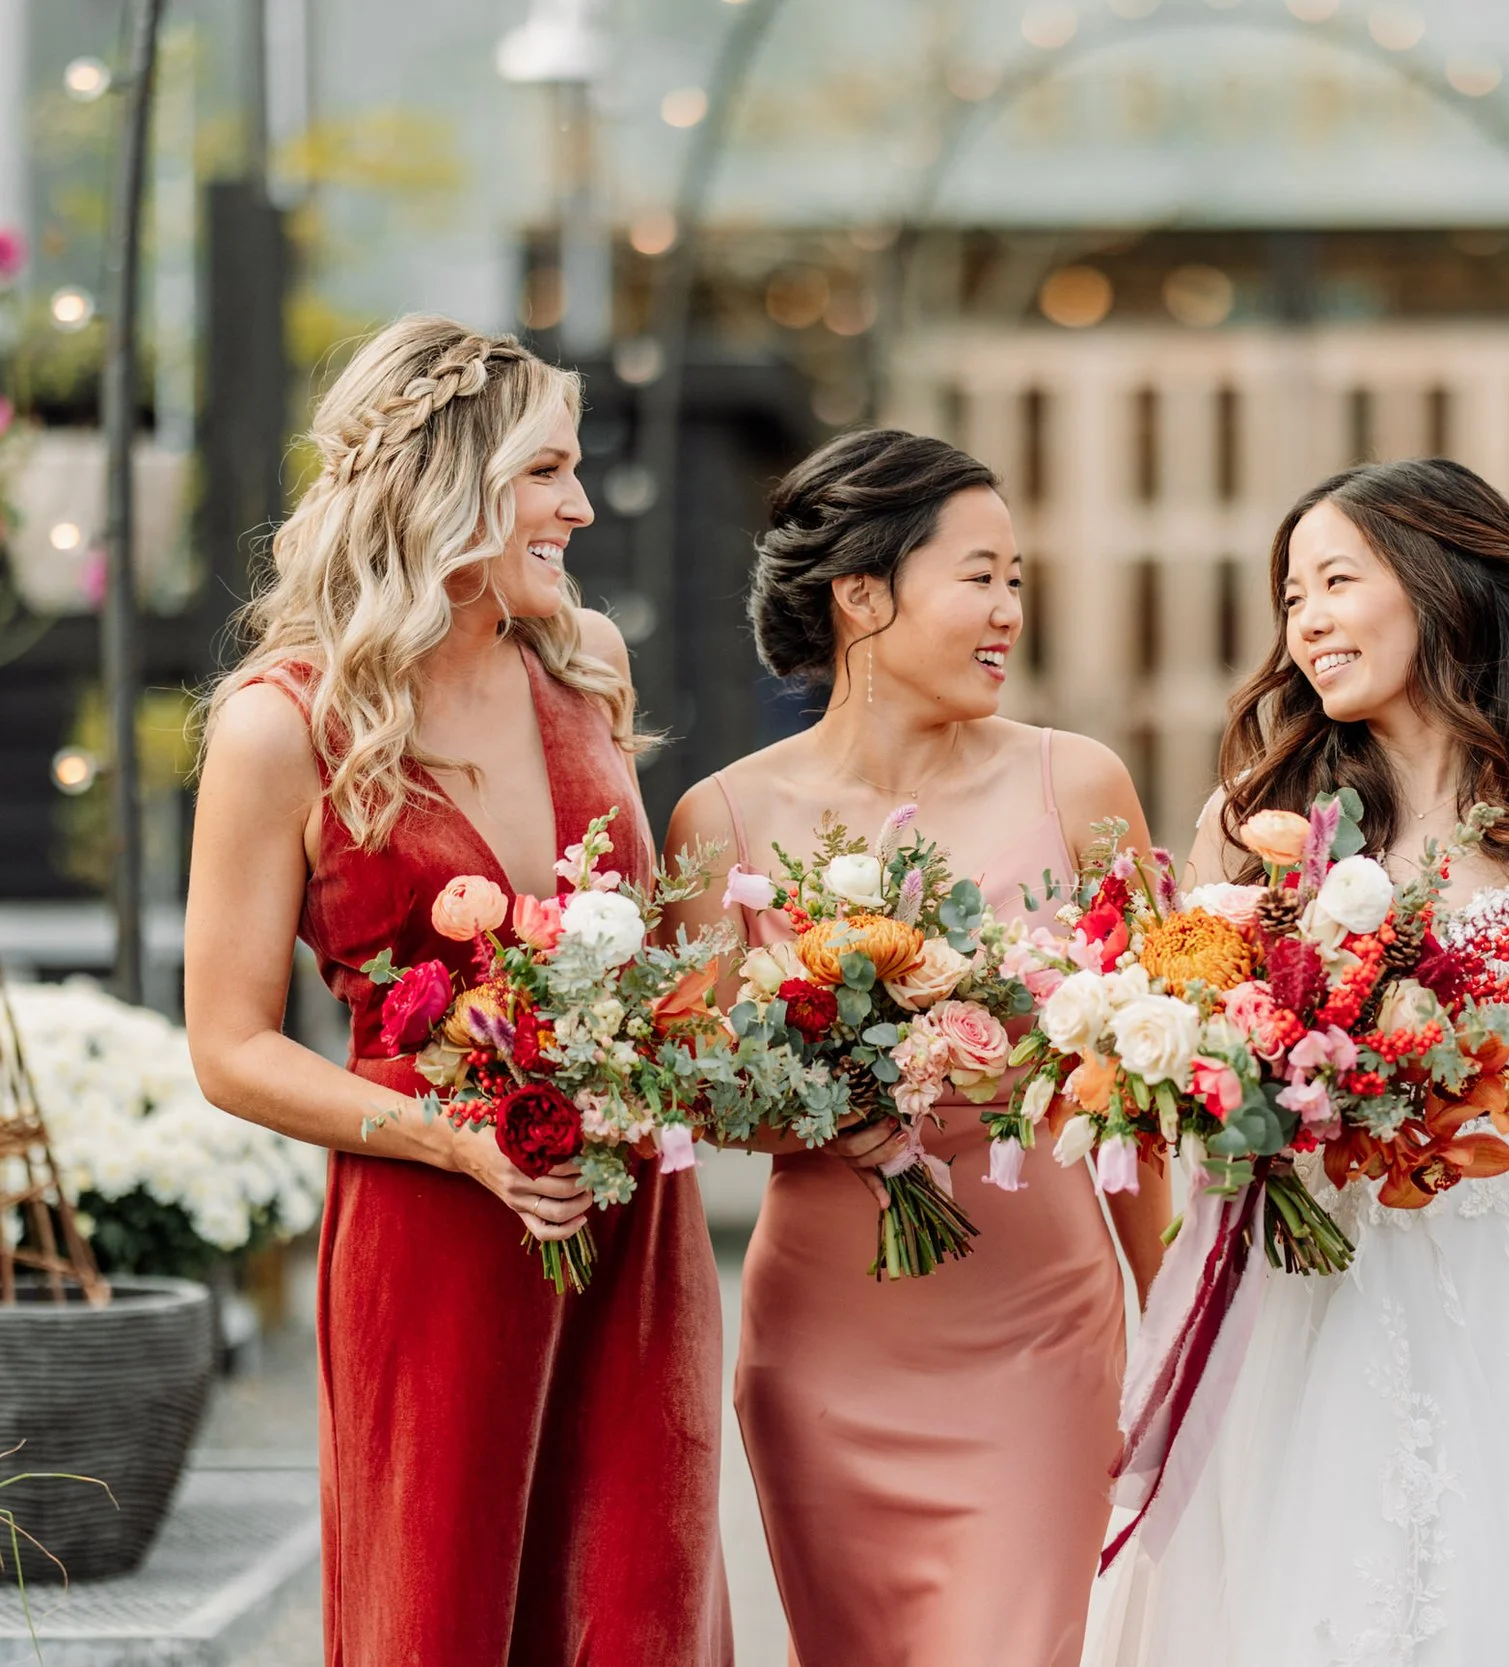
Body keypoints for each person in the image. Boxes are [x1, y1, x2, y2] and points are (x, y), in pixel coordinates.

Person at [1087, 457, 1509, 1667]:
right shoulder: (1253, 818)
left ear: (1441, 586)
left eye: (1335, 579)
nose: (1306, 618)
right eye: (1289, 596)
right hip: (1298, 1296)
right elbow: (1191, 1074)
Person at [185, 315, 730, 1664]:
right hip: (432, 1229)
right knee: (439, 1610)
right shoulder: (281, 723)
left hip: (629, 1221)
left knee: (637, 1595)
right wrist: (454, 1138)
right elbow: (229, 1044)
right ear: (452, 480)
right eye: (549, 470)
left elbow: (648, 958)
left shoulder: (579, 658)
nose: (581, 505)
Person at [662, 428, 1169, 1667]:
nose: (1006, 610)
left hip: (1044, 1327)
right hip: (827, 1349)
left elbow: (1153, 1088)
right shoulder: (718, 816)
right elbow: (697, 1099)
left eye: (1016, 581)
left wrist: (1175, 1327)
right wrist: (837, 1088)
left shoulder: (1082, 783)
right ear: (862, 595)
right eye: (978, 576)